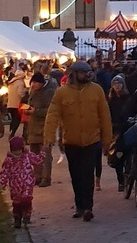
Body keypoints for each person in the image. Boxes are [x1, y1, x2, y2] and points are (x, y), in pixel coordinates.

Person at [43, 60, 113, 222]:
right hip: (71, 141)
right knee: (76, 175)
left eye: (88, 72)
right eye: (83, 72)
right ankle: (79, 205)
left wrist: (106, 140)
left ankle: (88, 207)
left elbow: (104, 116)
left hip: (91, 140)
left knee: (88, 173)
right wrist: (49, 138)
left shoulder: (96, 90)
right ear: (74, 74)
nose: (87, 75)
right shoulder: (62, 93)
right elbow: (52, 115)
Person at [0, 136, 43, 228]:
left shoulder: (27, 156)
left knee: (27, 199)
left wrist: (43, 155)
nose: (17, 152)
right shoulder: (9, 160)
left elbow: (36, 160)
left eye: (19, 150)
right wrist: (3, 182)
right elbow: (4, 172)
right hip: (15, 185)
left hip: (27, 183)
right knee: (17, 202)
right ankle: (17, 218)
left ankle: (27, 216)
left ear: (22, 148)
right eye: (15, 150)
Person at [25, 72, 57, 187]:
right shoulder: (33, 92)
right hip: (33, 128)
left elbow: (51, 110)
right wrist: (27, 110)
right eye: (32, 83)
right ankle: (37, 176)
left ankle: (46, 178)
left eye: (35, 83)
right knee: (34, 154)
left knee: (45, 155)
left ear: (41, 83)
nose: (33, 85)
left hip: (44, 128)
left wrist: (36, 111)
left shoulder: (49, 92)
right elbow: (30, 104)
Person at [106, 74, 131, 191]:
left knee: (128, 153)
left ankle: (129, 174)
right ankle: (121, 180)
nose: (117, 86)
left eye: (119, 83)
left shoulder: (128, 98)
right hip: (115, 130)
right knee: (117, 156)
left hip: (126, 127)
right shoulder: (111, 100)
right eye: (115, 83)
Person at [6, 69, 28, 137]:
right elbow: (20, 93)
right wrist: (25, 95)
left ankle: (11, 131)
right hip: (17, 104)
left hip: (10, 104)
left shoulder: (11, 82)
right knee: (17, 119)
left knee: (13, 118)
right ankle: (12, 133)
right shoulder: (20, 83)